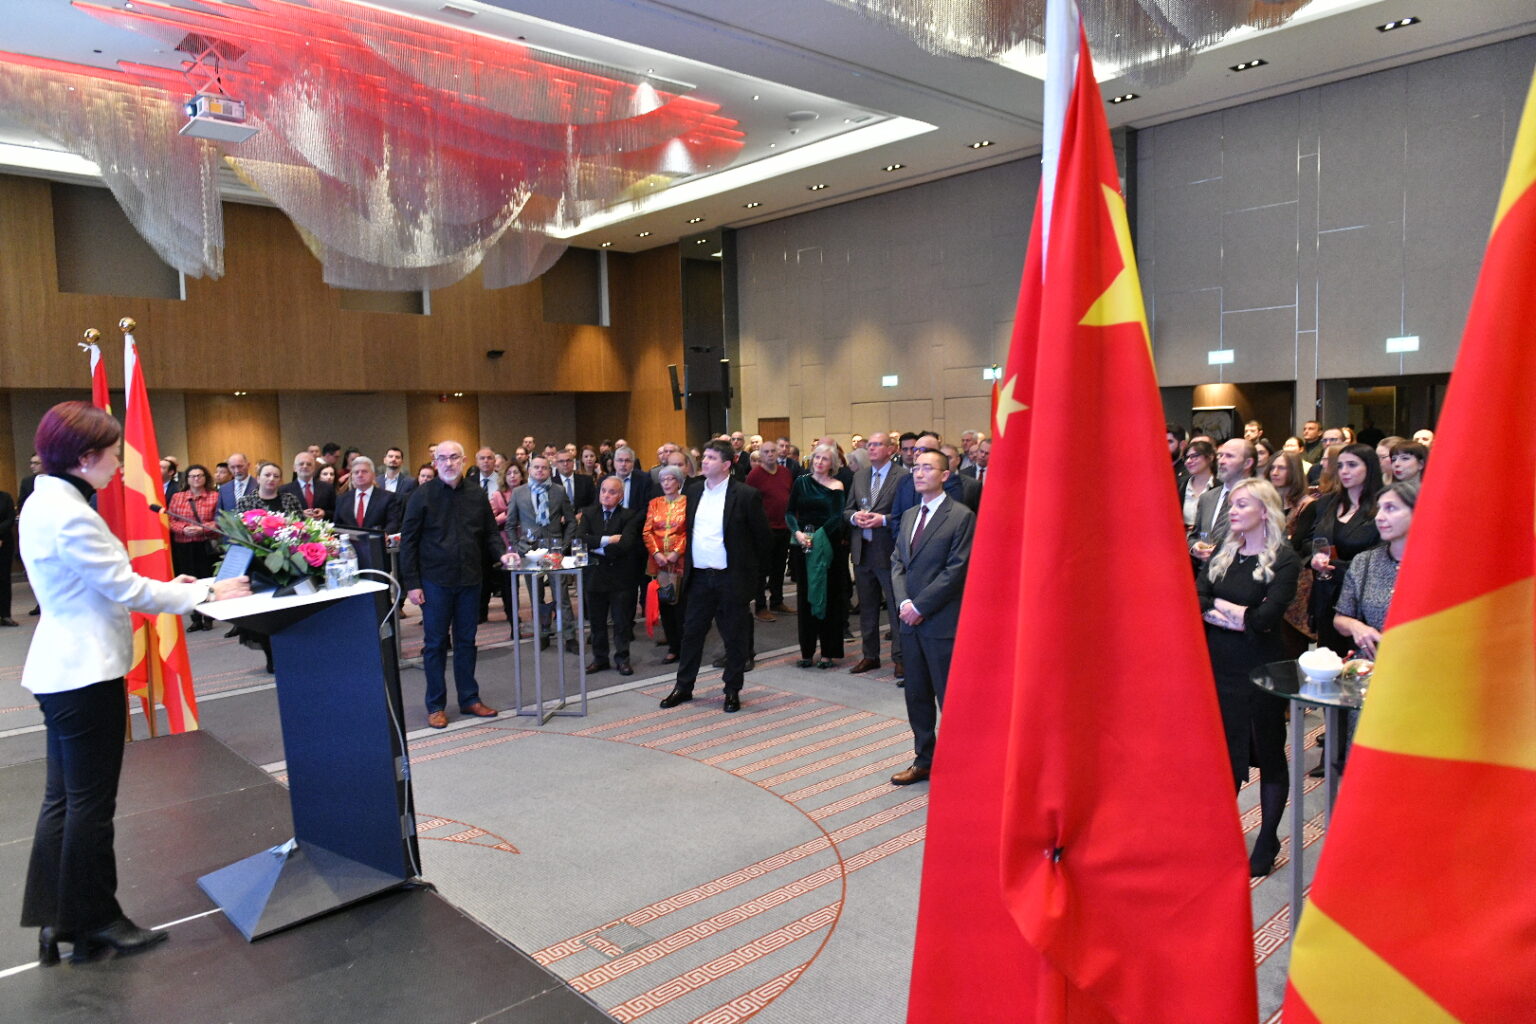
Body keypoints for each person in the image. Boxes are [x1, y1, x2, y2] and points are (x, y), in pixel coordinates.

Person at [20, 402, 249, 965]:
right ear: (84, 457)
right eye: (113, 453)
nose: (120, 463)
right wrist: (206, 591)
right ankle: (96, 921)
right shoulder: (72, 513)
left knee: (63, 801)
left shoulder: (43, 501)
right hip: (86, 673)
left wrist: (177, 583)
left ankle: (56, 921)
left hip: (61, 668)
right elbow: (126, 590)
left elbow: (102, 583)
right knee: (91, 806)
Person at [1195, 478, 1299, 877]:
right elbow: (1198, 598)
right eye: (1232, 504)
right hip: (1219, 667)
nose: (1233, 511)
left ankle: (1268, 837)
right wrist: (1237, 614)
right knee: (1224, 754)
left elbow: (1265, 620)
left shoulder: (1284, 559)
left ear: (1264, 511)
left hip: (1261, 672)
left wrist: (1224, 612)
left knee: (1267, 753)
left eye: (1242, 505)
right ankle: (1222, 831)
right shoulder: (1224, 553)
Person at [399, 441, 515, 729]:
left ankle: (469, 698)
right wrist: (412, 583)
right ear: (435, 462)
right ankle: (435, 705)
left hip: (470, 579)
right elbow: (409, 543)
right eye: (442, 458)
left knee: (466, 642)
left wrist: (502, 553)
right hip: (434, 581)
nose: (448, 463)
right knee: (435, 644)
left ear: (463, 460)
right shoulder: (421, 496)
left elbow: (490, 533)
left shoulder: (476, 494)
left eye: (453, 457)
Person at [659, 441, 770, 714]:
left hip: (731, 578)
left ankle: (731, 689)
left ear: (726, 464)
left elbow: (763, 541)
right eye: (705, 456)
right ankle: (683, 686)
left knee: (734, 637)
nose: (704, 461)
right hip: (699, 577)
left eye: (711, 457)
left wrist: (752, 581)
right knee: (692, 634)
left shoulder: (746, 495)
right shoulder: (694, 491)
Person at [888, 450, 975, 786]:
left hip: (940, 622)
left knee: (948, 697)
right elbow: (898, 562)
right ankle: (924, 759)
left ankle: (960, 765)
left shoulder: (961, 516)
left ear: (945, 475)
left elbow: (956, 570)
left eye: (928, 468)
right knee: (917, 695)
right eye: (916, 467)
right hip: (909, 621)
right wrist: (904, 602)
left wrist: (920, 607)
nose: (919, 473)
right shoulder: (910, 514)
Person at [1298, 442, 1383, 658]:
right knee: (1329, 659)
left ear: (1370, 468)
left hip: (1362, 596)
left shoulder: (1381, 507)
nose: (1344, 471)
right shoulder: (1326, 503)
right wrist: (1315, 557)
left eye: (1352, 465)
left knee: (1358, 663)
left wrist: (1335, 565)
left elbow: (1380, 555)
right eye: (1340, 465)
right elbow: (1307, 540)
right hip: (1326, 592)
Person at [845, 432, 908, 678]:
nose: (871, 448)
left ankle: (900, 657)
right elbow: (847, 509)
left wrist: (883, 520)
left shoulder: (902, 476)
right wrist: (854, 517)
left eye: (877, 444)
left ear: (891, 449)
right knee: (867, 608)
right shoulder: (859, 476)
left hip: (889, 552)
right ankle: (870, 655)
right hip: (863, 551)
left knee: (894, 608)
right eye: (869, 445)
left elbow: (908, 513)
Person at [1333, 479, 1417, 662]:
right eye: (1379, 508)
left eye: (1390, 508)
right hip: (1371, 666)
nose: (1379, 517)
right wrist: (1357, 627)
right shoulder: (1365, 561)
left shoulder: (1437, 567)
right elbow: (1340, 618)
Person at [505, 455, 577, 648]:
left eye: (544, 468)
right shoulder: (518, 492)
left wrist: (564, 545)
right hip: (529, 551)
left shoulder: (559, 491)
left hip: (554, 550)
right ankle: (542, 633)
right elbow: (510, 524)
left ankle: (570, 636)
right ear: (529, 470)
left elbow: (571, 521)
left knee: (561, 595)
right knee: (535, 596)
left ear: (549, 471)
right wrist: (517, 546)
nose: (540, 471)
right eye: (536, 467)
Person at [787, 444, 849, 669]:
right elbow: (789, 512)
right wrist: (797, 533)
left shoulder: (837, 485)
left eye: (825, 459)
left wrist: (818, 536)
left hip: (827, 545)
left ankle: (828, 653)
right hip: (803, 544)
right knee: (805, 597)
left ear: (833, 463)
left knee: (828, 597)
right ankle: (807, 651)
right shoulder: (801, 482)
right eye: (817, 458)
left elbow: (837, 517)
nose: (820, 462)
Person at [577, 476, 643, 675]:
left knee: (621, 622)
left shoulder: (629, 516)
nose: (606, 495)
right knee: (597, 622)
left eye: (612, 492)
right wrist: (608, 540)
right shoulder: (589, 513)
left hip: (620, 577)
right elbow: (580, 540)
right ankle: (600, 659)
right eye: (603, 490)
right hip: (594, 576)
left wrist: (596, 547)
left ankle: (622, 659)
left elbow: (625, 545)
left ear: (620, 496)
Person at [643, 465, 689, 664]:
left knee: (682, 606)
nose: (667, 483)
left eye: (671, 479)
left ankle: (686, 646)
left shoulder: (687, 502)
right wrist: (656, 553)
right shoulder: (654, 503)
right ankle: (673, 646)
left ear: (679, 482)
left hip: (681, 561)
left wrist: (676, 552)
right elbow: (647, 531)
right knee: (666, 604)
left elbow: (689, 530)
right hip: (660, 563)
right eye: (663, 480)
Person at [745, 437, 793, 620]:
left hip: (783, 527)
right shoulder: (754, 475)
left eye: (773, 451)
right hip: (764, 530)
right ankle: (760, 606)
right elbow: (748, 502)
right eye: (766, 452)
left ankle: (777, 601)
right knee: (761, 570)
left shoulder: (785, 472)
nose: (770, 454)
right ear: (761, 455)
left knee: (779, 568)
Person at [168, 464, 220, 631]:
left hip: (206, 545)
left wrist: (202, 529)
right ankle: (195, 618)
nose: (196, 479)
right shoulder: (177, 497)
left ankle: (209, 616)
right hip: (184, 546)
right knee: (189, 583)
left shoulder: (214, 496)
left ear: (205, 478)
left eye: (200, 475)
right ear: (187, 479)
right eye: (193, 476)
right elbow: (170, 520)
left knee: (207, 581)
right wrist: (183, 529)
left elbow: (220, 520)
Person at [333, 457, 402, 570]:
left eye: (364, 471)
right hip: (350, 556)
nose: (360, 475)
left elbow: (393, 522)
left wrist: (384, 534)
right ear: (352, 476)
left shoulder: (388, 497)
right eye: (356, 472)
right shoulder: (342, 499)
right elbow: (337, 525)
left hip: (378, 553)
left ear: (373, 475)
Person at [279, 451, 334, 519]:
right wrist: (300, 514)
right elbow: (281, 515)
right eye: (301, 464)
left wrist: (325, 513)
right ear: (294, 468)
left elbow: (335, 511)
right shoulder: (284, 490)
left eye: (309, 464)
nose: (305, 466)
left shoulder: (327, 488)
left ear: (314, 468)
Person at [236, 462, 304, 515]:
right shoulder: (244, 501)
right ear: (258, 479)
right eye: (267, 475)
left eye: (276, 476)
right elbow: (240, 527)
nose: (271, 479)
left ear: (280, 481)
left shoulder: (291, 499)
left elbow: (301, 524)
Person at [1178, 439, 1216, 532]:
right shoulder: (1180, 486)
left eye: (1194, 456)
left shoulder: (1220, 487)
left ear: (1210, 457)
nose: (1188, 461)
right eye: (1186, 457)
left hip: (1209, 537)